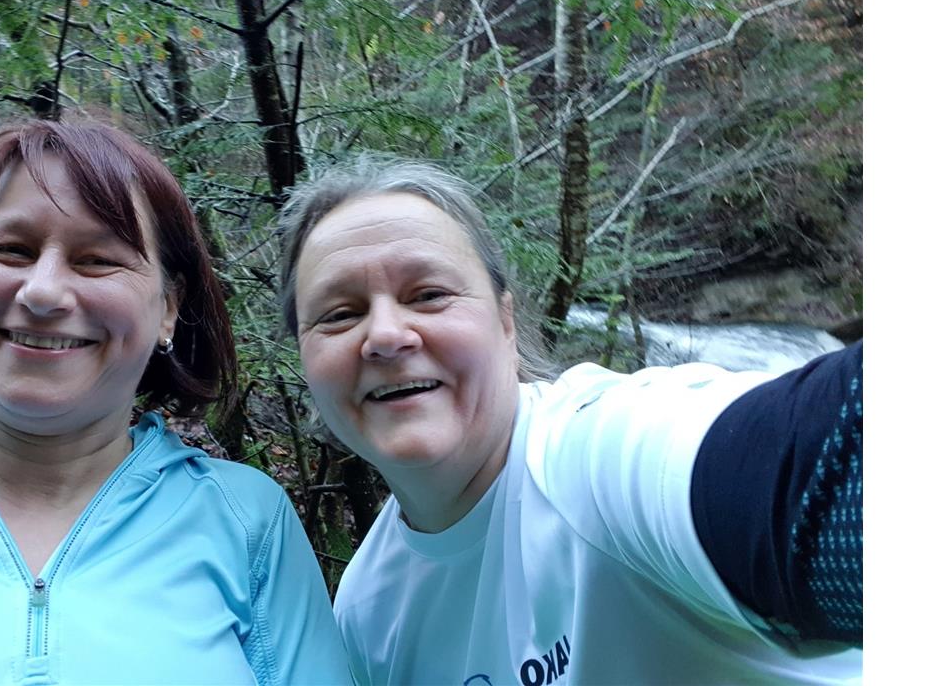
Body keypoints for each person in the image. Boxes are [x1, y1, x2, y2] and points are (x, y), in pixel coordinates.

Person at [277, 156, 862, 685]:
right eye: (339, 314)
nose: (383, 335)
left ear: (505, 323)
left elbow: (811, 471)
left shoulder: (601, 456)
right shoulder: (367, 610)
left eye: (428, 294)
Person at [0, 120, 353, 685]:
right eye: (11, 250)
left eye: (96, 259)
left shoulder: (247, 524)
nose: (41, 291)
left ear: (168, 307)